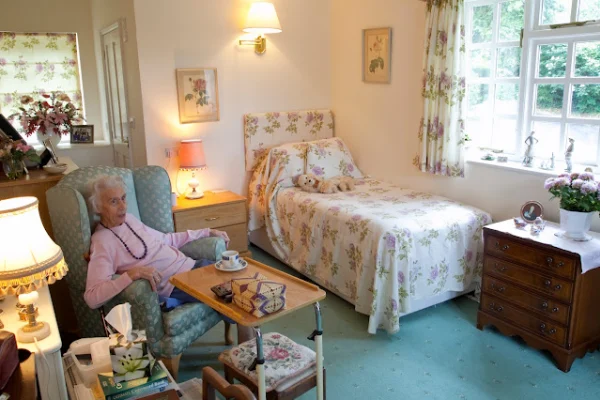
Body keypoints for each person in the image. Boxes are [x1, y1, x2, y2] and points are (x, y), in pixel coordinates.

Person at [83, 175, 254, 340]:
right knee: (241, 296)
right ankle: (250, 352)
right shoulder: (102, 241)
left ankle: (251, 350)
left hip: (193, 266)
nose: (123, 206)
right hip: (177, 283)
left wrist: (206, 231)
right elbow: (92, 297)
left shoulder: (130, 220)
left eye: (123, 198)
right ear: (98, 208)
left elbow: (166, 239)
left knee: (246, 281)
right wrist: (131, 275)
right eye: (113, 201)